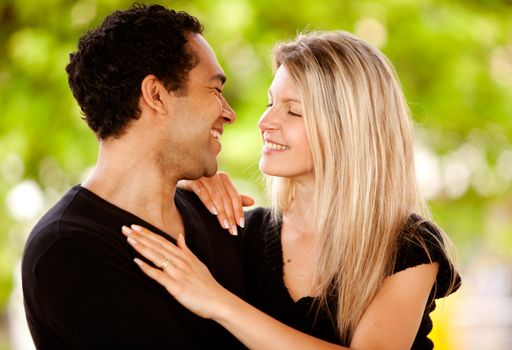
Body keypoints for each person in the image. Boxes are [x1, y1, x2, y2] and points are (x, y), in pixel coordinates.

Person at [122, 31, 462, 349]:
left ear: (347, 130)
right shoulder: (238, 230)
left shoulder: (408, 247)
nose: (264, 121)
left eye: (293, 111)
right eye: (271, 103)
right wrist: (180, 179)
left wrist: (217, 302)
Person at [21, 4, 248, 349]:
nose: (228, 114)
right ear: (155, 95)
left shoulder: (216, 216)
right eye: (214, 90)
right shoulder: (67, 253)